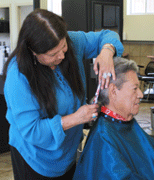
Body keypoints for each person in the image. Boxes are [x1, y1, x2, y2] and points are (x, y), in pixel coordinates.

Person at [3, 9, 123, 179]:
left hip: (67, 152)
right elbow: (32, 131)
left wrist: (107, 51)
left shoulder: (72, 42)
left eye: (63, 47)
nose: (61, 56)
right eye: (53, 54)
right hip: (34, 158)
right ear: (33, 52)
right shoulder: (18, 76)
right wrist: (76, 118)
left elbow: (108, 35)